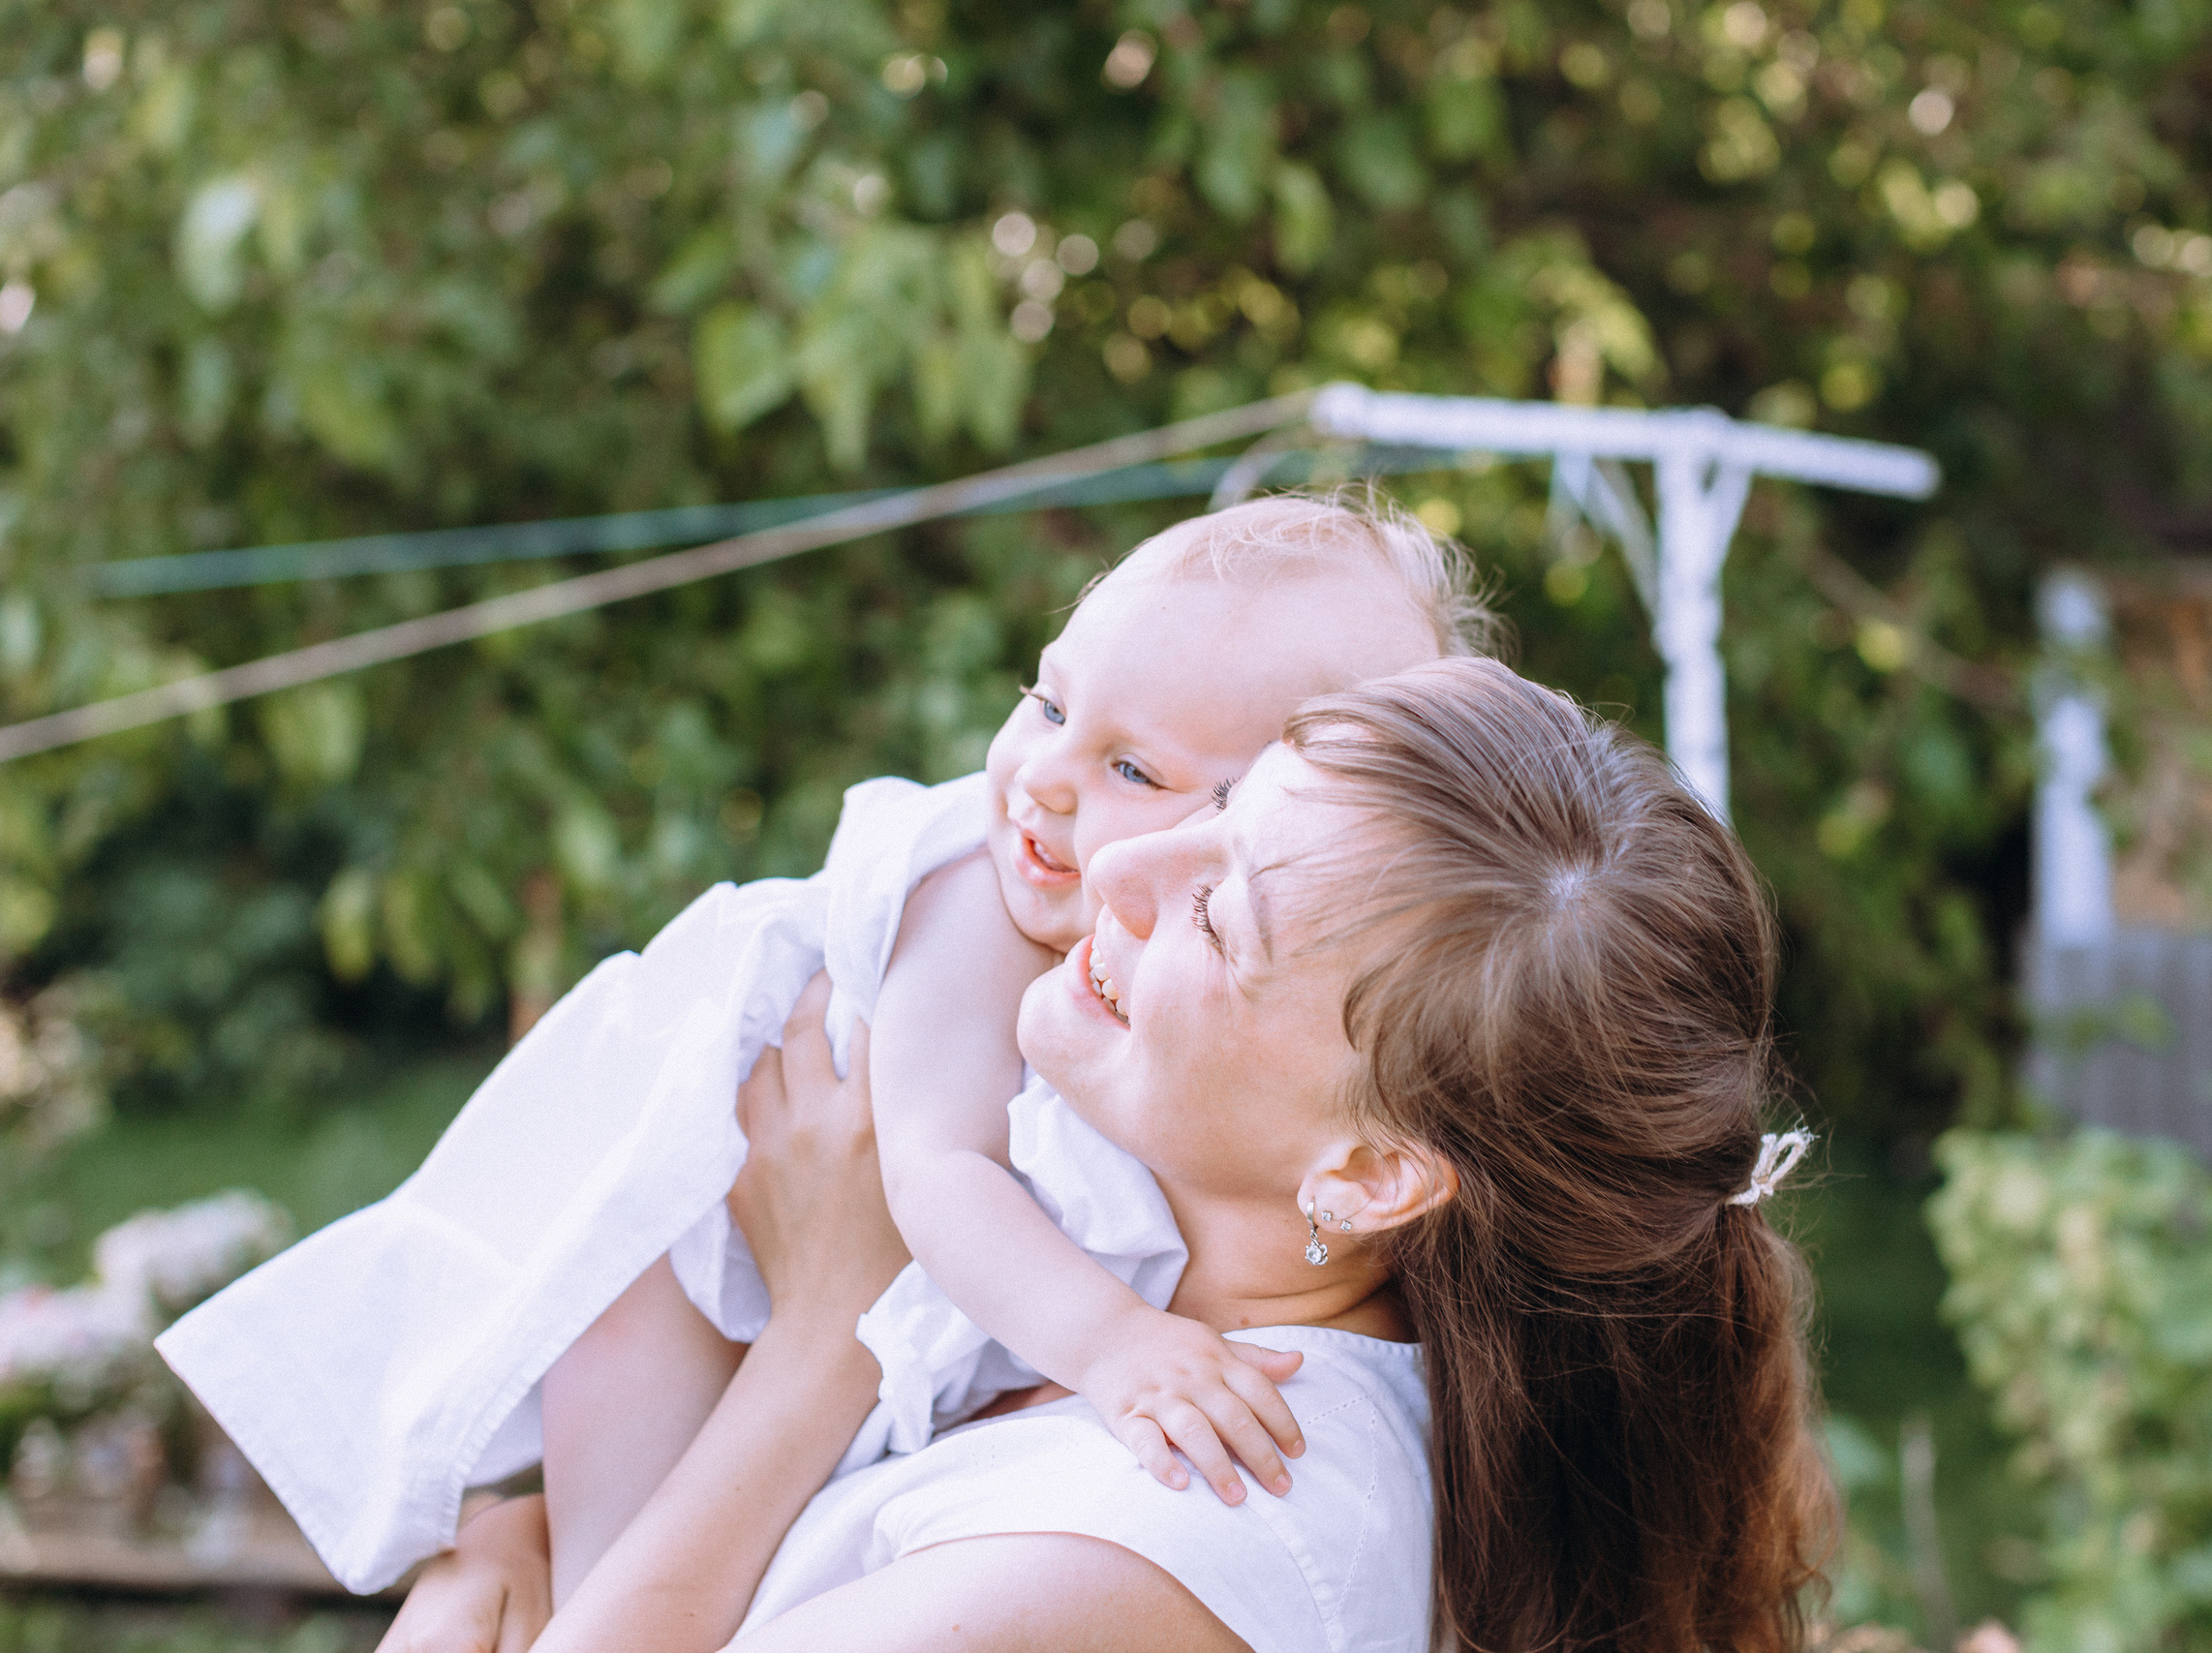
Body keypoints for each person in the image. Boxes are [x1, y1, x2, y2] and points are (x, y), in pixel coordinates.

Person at [157, 495, 1497, 1600]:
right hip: (686, 1225)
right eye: (1046, 703)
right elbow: (926, 1172)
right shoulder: (975, 897)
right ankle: (557, 1570)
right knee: (616, 1569)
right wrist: (1113, 1348)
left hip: (814, 1281)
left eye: (1133, 770)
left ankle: (548, 1568)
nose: (1041, 778)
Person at [383, 658, 1836, 1653]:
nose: (1121, 871)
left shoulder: (1173, 1526)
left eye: (1222, 918)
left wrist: (830, 1325)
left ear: (1371, 1174)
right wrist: (527, 1545)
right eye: (1215, 811)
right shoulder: (1097, 1279)